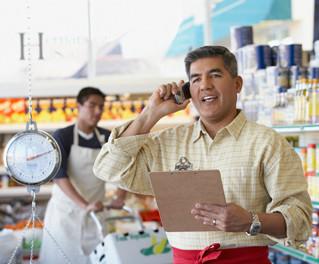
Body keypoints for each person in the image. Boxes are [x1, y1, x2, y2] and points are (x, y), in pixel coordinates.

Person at [93, 46, 312, 263]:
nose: (205, 85)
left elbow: (300, 220)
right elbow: (107, 169)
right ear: (189, 90)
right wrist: (151, 113)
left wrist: (250, 221)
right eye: (196, 79)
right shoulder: (166, 143)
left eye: (215, 75)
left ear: (237, 84)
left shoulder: (268, 143)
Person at [40, 87, 127, 264]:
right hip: (66, 214)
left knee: (96, 258)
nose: (97, 111)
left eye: (101, 107)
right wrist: (84, 205)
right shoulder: (62, 136)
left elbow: (123, 169)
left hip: (96, 213)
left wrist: (120, 195)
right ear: (78, 106)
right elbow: (59, 176)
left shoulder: (107, 137)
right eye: (92, 105)